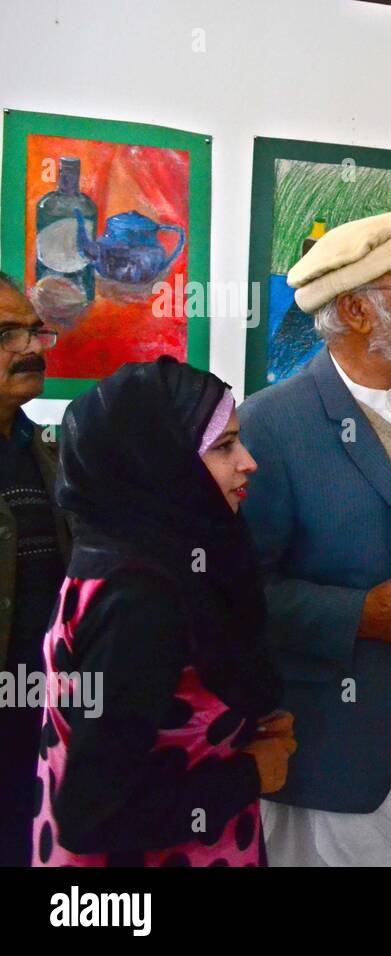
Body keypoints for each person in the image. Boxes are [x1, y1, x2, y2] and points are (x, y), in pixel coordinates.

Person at [239, 211, 391, 867]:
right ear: (354, 310)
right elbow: (237, 592)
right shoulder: (270, 425)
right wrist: (358, 614)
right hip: (347, 745)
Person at [31, 356, 293, 866]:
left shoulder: (126, 554)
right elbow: (93, 815)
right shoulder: (140, 601)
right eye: (223, 447)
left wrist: (239, 730)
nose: (249, 462)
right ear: (160, 462)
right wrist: (250, 773)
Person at [0, 273, 69, 868]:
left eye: (33, 330)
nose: (30, 347)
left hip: (40, 726)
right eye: (6, 334)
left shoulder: (44, 450)